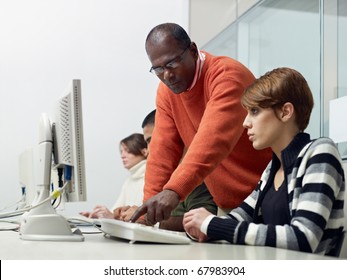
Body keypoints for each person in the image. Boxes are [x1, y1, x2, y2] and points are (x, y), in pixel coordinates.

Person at [182, 67, 345, 255]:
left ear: (285, 112)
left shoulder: (320, 152)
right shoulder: (272, 168)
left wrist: (212, 224)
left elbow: (303, 238)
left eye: (254, 111)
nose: (246, 123)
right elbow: (240, 217)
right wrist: (201, 228)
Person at [131, 23, 272, 227]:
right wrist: (146, 216)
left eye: (171, 64)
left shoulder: (227, 75)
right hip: (230, 207)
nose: (167, 75)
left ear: (193, 51)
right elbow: (162, 152)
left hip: (264, 198)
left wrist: (173, 191)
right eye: (158, 69)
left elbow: (212, 142)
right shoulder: (167, 92)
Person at [80, 133, 147, 219]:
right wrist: (99, 216)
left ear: (144, 152)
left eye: (127, 151)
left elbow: (143, 220)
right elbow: (115, 212)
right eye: (121, 151)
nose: (122, 156)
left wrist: (112, 218)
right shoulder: (129, 181)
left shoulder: (151, 178)